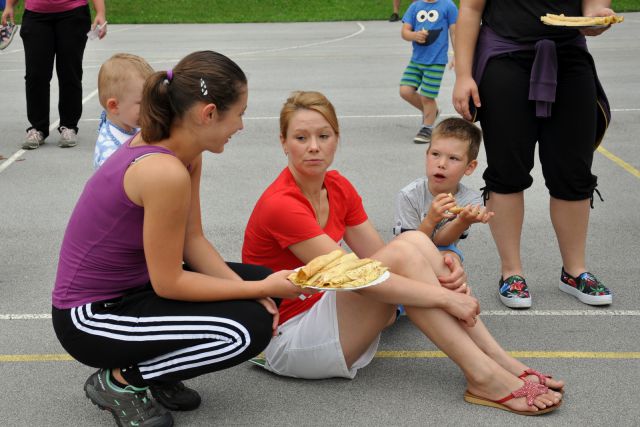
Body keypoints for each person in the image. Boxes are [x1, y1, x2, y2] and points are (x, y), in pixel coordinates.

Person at [243, 91, 563, 415]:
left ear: (336, 139)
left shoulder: (337, 186)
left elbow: (381, 254)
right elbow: (359, 278)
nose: (313, 146)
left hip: (327, 313)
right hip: (288, 340)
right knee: (408, 255)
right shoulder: (282, 204)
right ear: (284, 142)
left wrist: (436, 261)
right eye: (301, 137)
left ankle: (498, 359)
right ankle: (483, 375)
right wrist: (444, 296)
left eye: (323, 136)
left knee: (414, 245)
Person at [52, 51, 305, 427]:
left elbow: (194, 241)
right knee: (244, 330)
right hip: (91, 318)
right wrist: (255, 293)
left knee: (258, 283)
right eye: (240, 112)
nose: (241, 125)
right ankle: (122, 382)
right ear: (208, 114)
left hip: (134, 290)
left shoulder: (184, 152)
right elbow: (169, 282)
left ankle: (156, 370)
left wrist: (254, 288)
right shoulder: (163, 171)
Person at [452, 0, 614, 308]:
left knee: (573, 171)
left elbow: (594, 8)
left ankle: (575, 270)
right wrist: (463, 74)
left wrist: (596, 20)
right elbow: (471, 10)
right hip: (504, 59)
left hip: (570, 60)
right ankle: (511, 273)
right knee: (507, 170)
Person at [1, 0, 106, 150]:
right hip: (36, 15)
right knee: (35, 75)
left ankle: (69, 126)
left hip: (73, 14)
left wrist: (100, 12)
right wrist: (10, 5)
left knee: (70, 72)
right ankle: (37, 128)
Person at [394, 117, 493, 261]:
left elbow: (442, 242)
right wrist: (430, 220)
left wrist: (463, 221)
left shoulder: (470, 201)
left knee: (451, 259)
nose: (441, 164)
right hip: (407, 253)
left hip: (443, 249)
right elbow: (408, 247)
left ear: (469, 167)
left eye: (453, 158)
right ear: (426, 155)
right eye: (435, 154)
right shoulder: (409, 195)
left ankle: (453, 283)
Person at [399, 0, 457, 144]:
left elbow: (455, 32)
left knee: (427, 96)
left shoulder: (448, 5)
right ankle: (432, 112)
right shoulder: (415, 6)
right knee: (405, 91)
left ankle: (427, 127)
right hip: (416, 60)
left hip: (436, 61)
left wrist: (457, 54)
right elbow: (405, 32)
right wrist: (414, 35)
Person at [93, 53, 154, 169]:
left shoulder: (131, 123)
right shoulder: (110, 153)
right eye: (142, 103)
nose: (151, 108)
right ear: (114, 106)